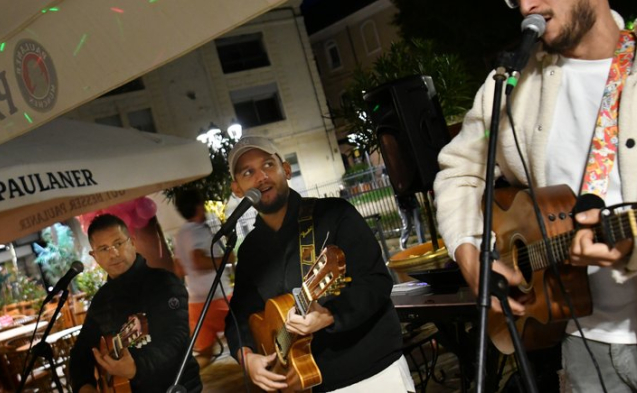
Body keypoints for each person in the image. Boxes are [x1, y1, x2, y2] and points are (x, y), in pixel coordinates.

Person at [433, 0, 637, 392]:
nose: (527, 2)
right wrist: (469, 253)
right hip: (578, 344)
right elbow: (459, 171)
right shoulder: (509, 88)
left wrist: (635, 248)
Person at [224, 135, 414, 392]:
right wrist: (247, 358)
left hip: (372, 372)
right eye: (248, 172)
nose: (261, 177)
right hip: (307, 383)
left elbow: (376, 282)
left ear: (286, 169)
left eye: (268, 165)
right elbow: (239, 318)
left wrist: (331, 314)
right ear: (238, 189)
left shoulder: (334, 215)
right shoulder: (250, 251)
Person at [69, 214, 202, 393]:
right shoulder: (101, 300)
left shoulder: (164, 283)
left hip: (177, 387)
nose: (114, 253)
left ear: (132, 242)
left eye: (118, 244)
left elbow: (175, 340)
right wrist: (85, 386)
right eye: (104, 248)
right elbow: (81, 352)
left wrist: (136, 367)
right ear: (95, 256)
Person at [173, 188, 235, 369]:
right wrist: (227, 259)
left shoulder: (181, 234)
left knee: (205, 354)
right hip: (216, 298)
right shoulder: (197, 232)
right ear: (199, 206)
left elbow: (179, 268)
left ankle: (181, 383)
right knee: (246, 334)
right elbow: (198, 261)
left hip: (196, 302)